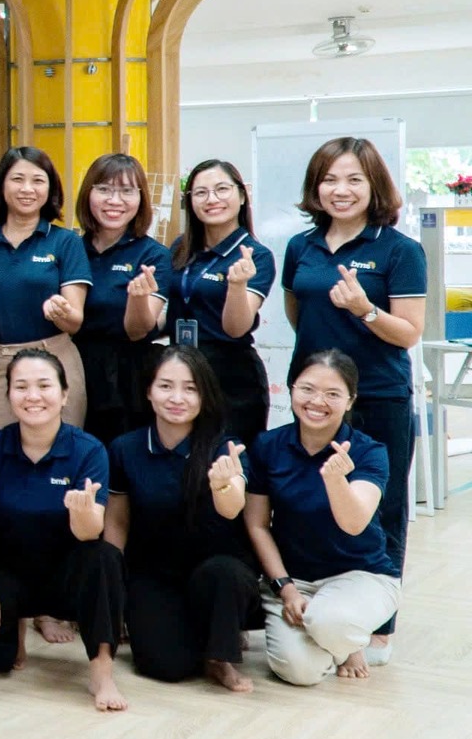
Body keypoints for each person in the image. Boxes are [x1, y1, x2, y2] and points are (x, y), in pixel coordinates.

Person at [279, 136, 424, 663]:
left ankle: (379, 627)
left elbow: (409, 332)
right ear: (316, 188)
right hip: (315, 401)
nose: (340, 190)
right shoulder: (301, 246)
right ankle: (325, 604)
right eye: (330, 180)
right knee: (317, 502)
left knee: (381, 509)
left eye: (353, 180)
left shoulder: (399, 250)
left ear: (373, 186)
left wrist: (364, 310)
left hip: (378, 398)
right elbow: (298, 313)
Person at [0, 349, 128, 712]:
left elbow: (91, 533)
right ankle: (15, 626)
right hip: (12, 566)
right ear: (8, 395)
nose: (33, 396)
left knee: (105, 558)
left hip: (67, 573)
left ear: (64, 394)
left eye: (44, 386)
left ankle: (101, 669)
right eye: (21, 387)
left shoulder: (88, 450)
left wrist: (81, 513)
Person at [103, 346, 260, 691]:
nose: (177, 398)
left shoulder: (224, 447)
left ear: (204, 395)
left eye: (190, 389)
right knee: (166, 666)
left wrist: (223, 484)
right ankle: (200, 638)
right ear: (149, 391)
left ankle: (221, 658)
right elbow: (116, 522)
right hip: (155, 572)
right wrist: (114, 591)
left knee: (225, 573)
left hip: (216, 569)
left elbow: (232, 508)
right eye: (165, 386)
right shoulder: (125, 449)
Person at [244, 350, 401, 686]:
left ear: (350, 400)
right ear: (292, 388)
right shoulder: (268, 445)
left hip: (361, 576)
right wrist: (285, 588)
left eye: (332, 394)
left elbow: (354, 523)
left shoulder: (369, 452)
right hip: (295, 580)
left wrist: (335, 480)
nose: (317, 402)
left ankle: (345, 643)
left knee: (330, 621)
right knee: (299, 671)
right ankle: (337, 639)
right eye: (307, 389)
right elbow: (257, 525)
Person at [0, 146, 93, 431]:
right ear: (1, 186)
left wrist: (60, 312)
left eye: (38, 180)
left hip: (54, 361)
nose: (27, 189)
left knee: (61, 450)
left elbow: (75, 321)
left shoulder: (66, 242)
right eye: (17, 179)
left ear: (50, 188)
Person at [169, 159, 275, 447]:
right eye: (201, 193)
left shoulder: (255, 255)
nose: (211, 199)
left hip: (230, 376)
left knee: (229, 462)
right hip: (180, 370)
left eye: (221, 189)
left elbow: (236, 328)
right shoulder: (180, 248)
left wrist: (237, 286)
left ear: (241, 196)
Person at [73, 153, 173, 445]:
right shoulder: (71, 248)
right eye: (104, 189)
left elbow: (138, 330)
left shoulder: (153, 255)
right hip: (76, 369)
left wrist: (138, 299)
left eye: (127, 191)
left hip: (130, 376)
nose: (114, 200)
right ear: (88, 193)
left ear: (141, 198)